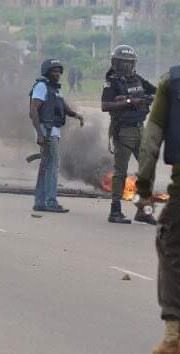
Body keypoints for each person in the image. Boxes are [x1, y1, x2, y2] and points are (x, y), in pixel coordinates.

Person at [135, 66, 180, 354]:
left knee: (170, 247)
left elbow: (151, 142)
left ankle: (174, 335)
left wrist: (144, 189)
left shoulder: (172, 83)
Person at [101, 44, 156, 224]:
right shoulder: (112, 81)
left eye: (129, 63)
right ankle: (115, 211)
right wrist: (130, 102)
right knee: (120, 173)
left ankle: (144, 211)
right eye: (123, 63)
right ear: (116, 63)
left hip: (141, 128)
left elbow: (155, 91)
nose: (126, 66)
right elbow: (105, 105)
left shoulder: (137, 79)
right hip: (123, 130)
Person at [30, 58, 84, 213]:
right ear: (47, 72)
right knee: (52, 167)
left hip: (53, 130)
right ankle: (50, 201)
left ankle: (40, 201)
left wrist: (75, 115)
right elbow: (33, 110)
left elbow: (62, 106)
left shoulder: (55, 89)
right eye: (54, 71)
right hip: (47, 131)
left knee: (45, 166)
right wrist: (39, 134)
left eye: (59, 71)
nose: (57, 74)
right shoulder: (41, 86)